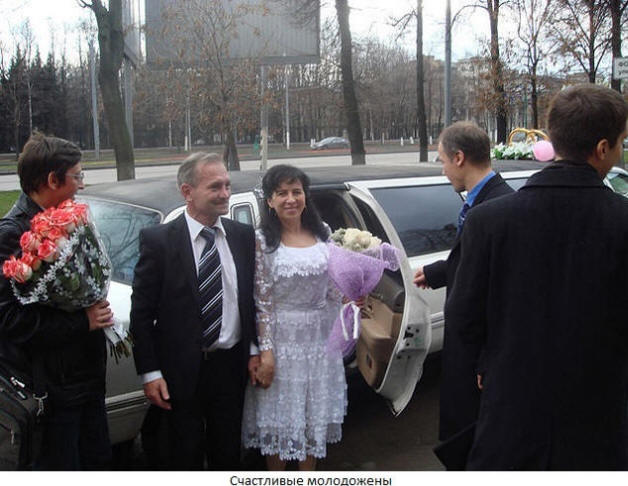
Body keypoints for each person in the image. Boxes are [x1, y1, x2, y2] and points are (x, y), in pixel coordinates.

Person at [446, 83, 628, 470]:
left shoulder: (488, 221)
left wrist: (486, 368)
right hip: (600, 424)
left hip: (509, 422)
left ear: (554, 138)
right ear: (602, 148)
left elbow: (463, 321)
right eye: (621, 143)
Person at [130, 152, 257, 470]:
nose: (225, 193)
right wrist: (150, 373)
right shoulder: (159, 241)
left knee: (227, 453)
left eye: (227, 185)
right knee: (184, 455)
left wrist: (255, 351)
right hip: (180, 372)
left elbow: (250, 301)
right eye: (215, 187)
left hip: (230, 368)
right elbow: (141, 313)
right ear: (187, 191)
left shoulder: (242, 236)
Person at [0, 132, 114, 470]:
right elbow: (9, 320)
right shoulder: (12, 235)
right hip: (50, 394)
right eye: (77, 176)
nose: (82, 184)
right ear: (53, 179)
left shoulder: (70, 220)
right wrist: (82, 321)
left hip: (84, 382)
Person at [413, 122, 513, 450]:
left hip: (477, 352)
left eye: (442, 161)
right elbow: (477, 261)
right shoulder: (484, 200)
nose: (442, 170)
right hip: (469, 348)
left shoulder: (495, 209)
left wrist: (487, 358)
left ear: (458, 158)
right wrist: (439, 272)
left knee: (471, 436)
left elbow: (503, 291)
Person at [241, 164, 347, 471]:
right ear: (270, 200)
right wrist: (266, 353)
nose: (291, 199)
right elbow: (261, 302)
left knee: (312, 418)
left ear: (305, 196)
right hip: (281, 342)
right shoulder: (262, 240)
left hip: (320, 341)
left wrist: (353, 295)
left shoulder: (323, 232)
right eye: (282, 193)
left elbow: (334, 289)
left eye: (296, 192)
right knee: (280, 420)